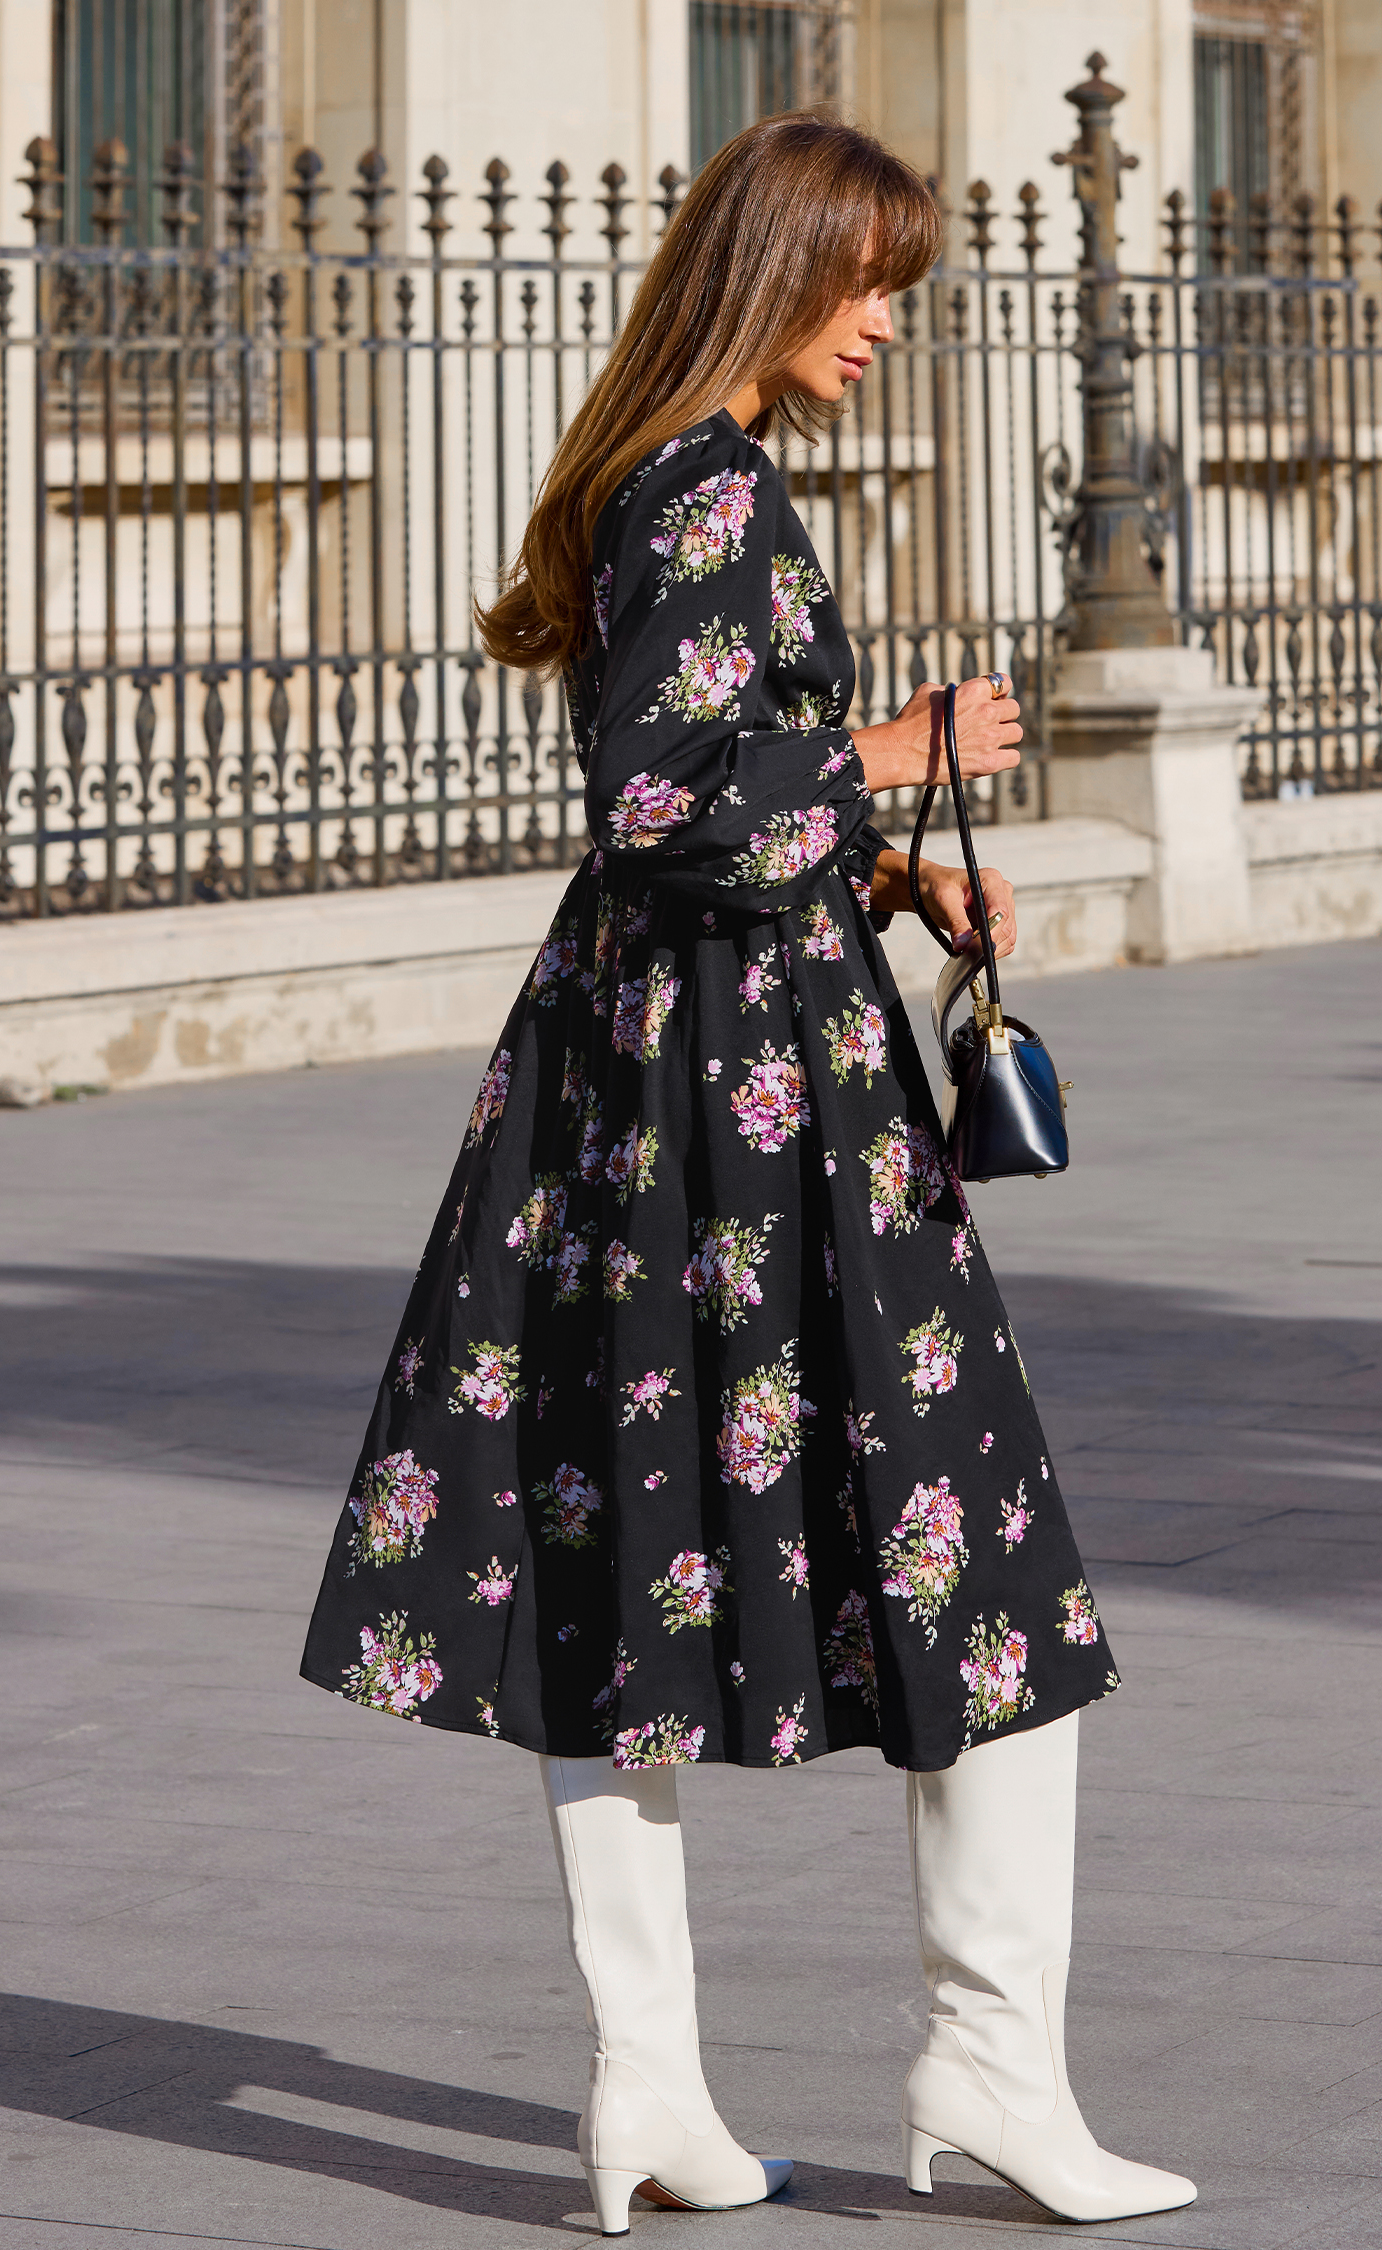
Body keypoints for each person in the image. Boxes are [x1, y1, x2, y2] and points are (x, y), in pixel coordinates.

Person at [299, 112, 1196, 2233]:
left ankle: (653, 2093)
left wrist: (879, 866)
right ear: (779, 265)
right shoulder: (705, 482)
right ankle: (987, 2066)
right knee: (976, 1565)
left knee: (627, 1567)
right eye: (868, 277)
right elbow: (655, 803)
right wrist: (897, 756)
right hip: (750, 1115)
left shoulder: (669, 472)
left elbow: (698, 807)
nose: (888, 318)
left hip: (668, 1090)